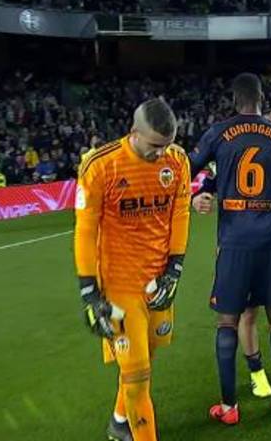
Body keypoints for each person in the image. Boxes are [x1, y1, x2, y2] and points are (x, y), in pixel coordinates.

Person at [189, 73, 271, 424]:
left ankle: (228, 408)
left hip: (233, 242)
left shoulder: (219, 132)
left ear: (234, 99)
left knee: (229, 320)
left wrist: (200, 195)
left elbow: (186, 169)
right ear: (260, 98)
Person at [73, 98, 191, 441]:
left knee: (146, 362)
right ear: (134, 133)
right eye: (155, 146)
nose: (161, 154)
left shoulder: (177, 160)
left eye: (167, 145)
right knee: (138, 379)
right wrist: (89, 293)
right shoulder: (100, 166)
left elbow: (179, 215)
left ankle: (118, 422)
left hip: (158, 282)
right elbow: (84, 232)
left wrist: (174, 269)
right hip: (119, 286)